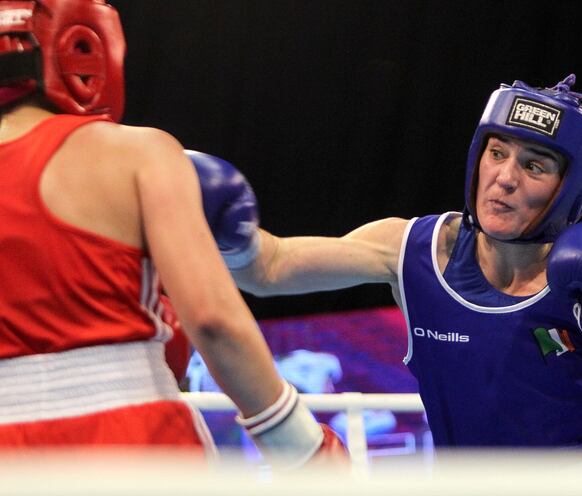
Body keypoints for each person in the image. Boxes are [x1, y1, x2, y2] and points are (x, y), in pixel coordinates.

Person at [188, 75, 582, 454]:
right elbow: (270, 269)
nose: (504, 178)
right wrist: (225, 227)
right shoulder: (413, 249)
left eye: (533, 165)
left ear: (570, 188)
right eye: (497, 152)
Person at [0, 0, 345, 469]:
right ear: (80, 45)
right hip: (130, 438)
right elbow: (212, 320)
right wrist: (299, 446)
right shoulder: (138, 153)